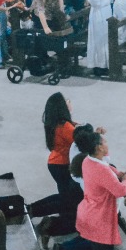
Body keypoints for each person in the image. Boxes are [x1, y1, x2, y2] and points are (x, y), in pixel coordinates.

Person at [50, 126, 126, 250]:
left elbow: (107, 166)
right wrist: (124, 180)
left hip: (89, 211)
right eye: (104, 142)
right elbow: (120, 191)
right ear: (99, 147)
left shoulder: (88, 160)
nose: (107, 144)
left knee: (91, 240)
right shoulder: (101, 169)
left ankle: (63, 249)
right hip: (99, 216)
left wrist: (118, 173)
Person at [30, 93, 82, 236]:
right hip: (63, 165)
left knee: (64, 196)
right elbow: (82, 141)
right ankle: (35, 211)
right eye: (67, 101)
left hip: (55, 163)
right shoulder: (65, 126)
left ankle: (32, 209)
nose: (69, 102)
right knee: (66, 199)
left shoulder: (55, 123)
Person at [83, 0, 113, 77]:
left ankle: (107, 64)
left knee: (106, 40)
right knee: (99, 41)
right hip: (98, 14)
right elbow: (96, 2)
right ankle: (99, 66)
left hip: (107, 12)